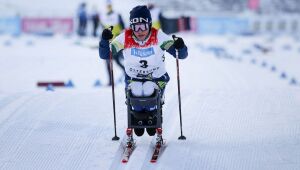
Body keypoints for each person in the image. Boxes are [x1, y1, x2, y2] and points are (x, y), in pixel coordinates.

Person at [99, 5, 188, 142]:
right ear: (131, 27)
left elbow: (180, 55)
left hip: (157, 78)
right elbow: (105, 55)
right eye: (136, 27)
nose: (139, 31)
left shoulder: (158, 36)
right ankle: (138, 117)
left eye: (143, 26)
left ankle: (152, 115)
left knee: (148, 89)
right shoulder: (125, 37)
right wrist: (105, 41)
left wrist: (180, 47)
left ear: (150, 24)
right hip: (133, 78)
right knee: (136, 90)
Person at [100, 3, 125, 85]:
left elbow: (123, 28)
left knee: (118, 61)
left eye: (109, 6)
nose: (108, 8)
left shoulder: (117, 15)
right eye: (107, 6)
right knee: (108, 63)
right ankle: (110, 81)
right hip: (108, 43)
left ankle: (127, 74)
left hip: (117, 42)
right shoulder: (103, 16)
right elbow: (103, 28)